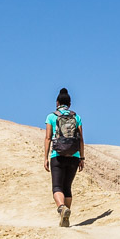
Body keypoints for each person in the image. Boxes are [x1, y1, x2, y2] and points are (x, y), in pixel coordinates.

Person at [44, 88, 84, 227]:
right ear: (69, 103)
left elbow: (48, 138)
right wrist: (82, 158)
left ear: (57, 102)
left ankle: (62, 208)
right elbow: (81, 140)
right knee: (67, 187)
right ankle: (66, 217)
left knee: (57, 187)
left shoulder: (51, 116)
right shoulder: (76, 117)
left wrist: (45, 157)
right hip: (74, 156)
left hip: (57, 155)